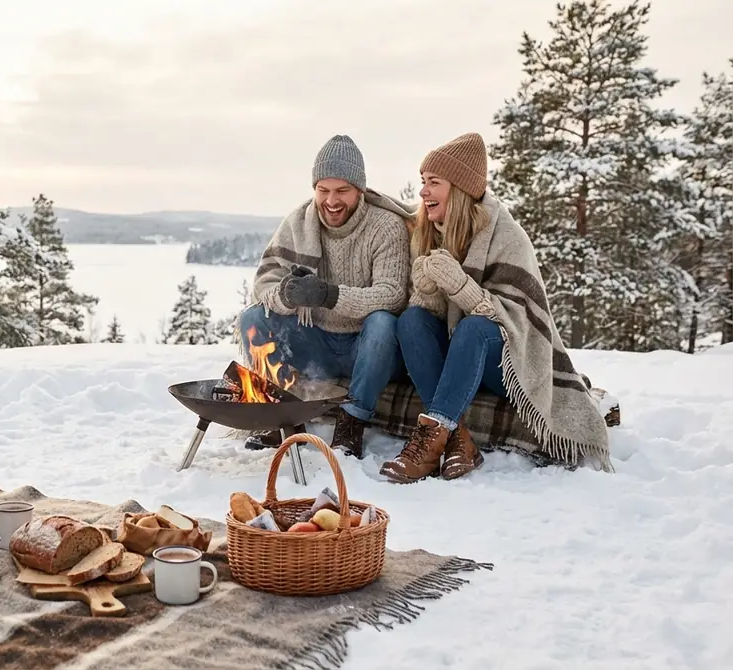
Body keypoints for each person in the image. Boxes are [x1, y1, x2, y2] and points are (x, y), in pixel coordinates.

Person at [381, 132, 612, 483]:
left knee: (474, 327)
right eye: (422, 182)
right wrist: (427, 291)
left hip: (507, 364)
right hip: (458, 360)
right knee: (412, 320)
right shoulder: (428, 231)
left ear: (458, 188)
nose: (423, 192)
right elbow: (431, 320)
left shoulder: (507, 237)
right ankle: (457, 437)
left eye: (433, 183)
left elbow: (516, 324)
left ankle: (430, 439)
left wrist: (459, 285)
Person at [238, 134, 413, 458]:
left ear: (359, 191)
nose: (331, 201)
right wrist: (286, 295)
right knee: (252, 318)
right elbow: (263, 284)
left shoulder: (385, 226)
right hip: (315, 341)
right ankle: (283, 417)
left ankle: (352, 421)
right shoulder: (298, 223)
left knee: (384, 322)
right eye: (324, 190)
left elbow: (392, 296)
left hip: (369, 347)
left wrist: (330, 295)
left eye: (342, 191)